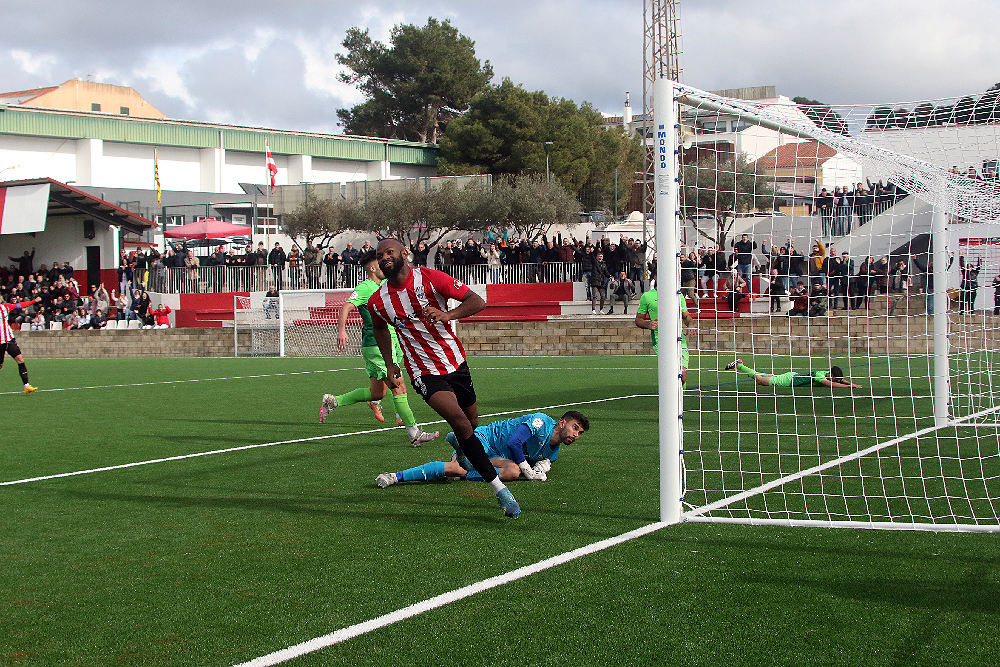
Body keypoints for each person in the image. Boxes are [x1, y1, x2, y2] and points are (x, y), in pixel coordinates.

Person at [368, 237, 521, 518]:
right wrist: (390, 364)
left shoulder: (430, 278)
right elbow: (379, 328)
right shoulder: (378, 301)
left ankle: (460, 445)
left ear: (404, 253)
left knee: (471, 424)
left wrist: (448, 314)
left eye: (389, 252)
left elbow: (477, 301)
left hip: (455, 362)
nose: (384, 257)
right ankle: (501, 490)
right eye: (380, 255)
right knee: (460, 421)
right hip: (423, 371)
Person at [319, 250, 438, 448]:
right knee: (398, 386)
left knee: (377, 394)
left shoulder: (384, 286)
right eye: (381, 263)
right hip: (375, 345)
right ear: (373, 268)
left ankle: (334, 401)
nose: (385, 266)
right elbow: (346, 307)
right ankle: (414, 433)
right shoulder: (365, 287)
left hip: (390, 343)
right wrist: (341, 331)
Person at [375, 410, 589, 488]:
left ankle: (463, 472)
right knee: (455, 467)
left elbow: (531, 461)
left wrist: (541, 467)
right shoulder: (541, 422)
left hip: (496, 457)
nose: (575, 435)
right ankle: (395, 476)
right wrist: (529, 471)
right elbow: (514, 443)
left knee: (513, 471)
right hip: (486, 439)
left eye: (579, 433)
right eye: (575, 427)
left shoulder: (553, 453)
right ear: (562, 422)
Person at [634, 271, 693, 385]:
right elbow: (638, 319)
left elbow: (686, 315)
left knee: (682, 376)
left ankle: (680, 395)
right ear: (656, 277)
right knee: (673, 373)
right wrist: (648, 324)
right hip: (660, 340)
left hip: (679, 339)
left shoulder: (678, 294)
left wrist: (691, 324)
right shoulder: (647, 296)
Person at [724, 359, 862, 389]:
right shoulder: (820, 376)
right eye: (835, 379)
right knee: (760, 380)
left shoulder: (826, 373)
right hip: (789, 381)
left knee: (765, 377)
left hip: (792, 377)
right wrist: (848, 387)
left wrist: (851, 383)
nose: (837, 381)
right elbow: (830, 384)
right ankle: (739, 365)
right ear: (831, 375)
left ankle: (741, 366)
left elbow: (839, 381)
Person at [0, 296, 41, 393]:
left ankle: (26, 386)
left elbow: (20, 305)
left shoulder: (5, 307)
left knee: (20, 360)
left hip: (9, 339)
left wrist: (33, 301)